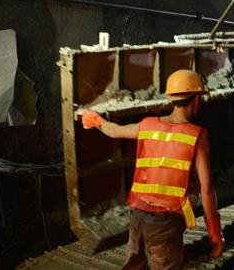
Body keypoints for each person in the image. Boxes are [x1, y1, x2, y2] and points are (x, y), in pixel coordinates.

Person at [81, 69, 224, 270]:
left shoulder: (147, 125)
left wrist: (95, 120)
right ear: (196, 99)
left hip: (138, 218)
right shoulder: (197, 136)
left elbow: (113, 131)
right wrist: (215, 234)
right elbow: (207, 189)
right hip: (165, 222)